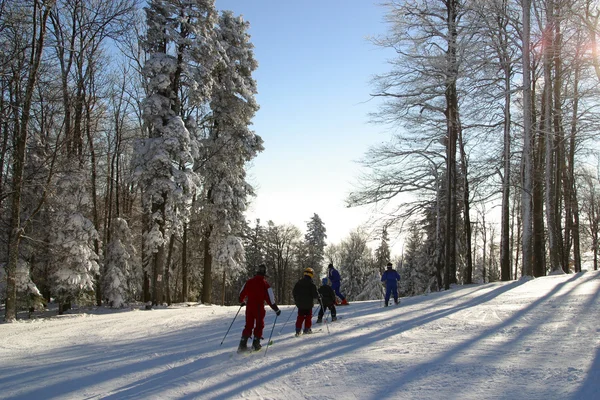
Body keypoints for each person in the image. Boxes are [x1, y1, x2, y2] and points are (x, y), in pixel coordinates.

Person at [238, 264, 281, 352]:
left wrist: (241, 301)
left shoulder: (249, 282)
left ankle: (242, 344)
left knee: (248, 324)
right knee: (259, 325)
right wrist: (275, 309)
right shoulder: (265, 284)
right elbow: (270, 299)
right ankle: (256, 343)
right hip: (259, 308)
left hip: (249, 307)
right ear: (264, 274)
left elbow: (241, 293)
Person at [292, 267, 320, 336]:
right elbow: (315, 295)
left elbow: (294, 292)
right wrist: (319, 296)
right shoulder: (312, 284)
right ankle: (307, 329)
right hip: (308, 304)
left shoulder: (299, 283)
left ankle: (298, 330)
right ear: (311, 275)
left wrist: (296, 300)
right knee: (308, 317)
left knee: (300, 317)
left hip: (300, 304)